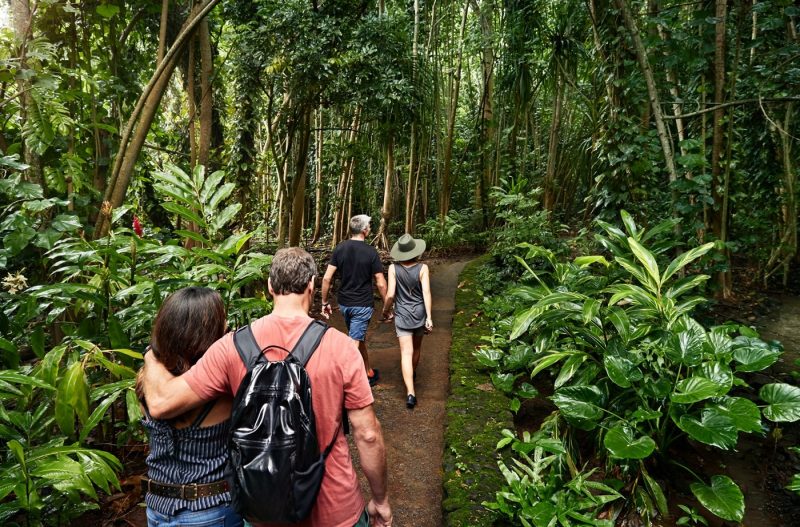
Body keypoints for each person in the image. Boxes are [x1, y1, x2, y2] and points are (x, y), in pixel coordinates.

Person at [141, 248, 392, 527]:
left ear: (270, 287)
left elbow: (163, 402)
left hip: (262, 508)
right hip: (334, 508)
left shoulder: (230, 347)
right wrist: (380, 500)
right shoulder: (343, 348)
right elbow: (368, 434)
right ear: (311, 284)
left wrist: (151, 355)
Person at [135, 287, 243, 527]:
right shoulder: (221, 386)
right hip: (211, 507)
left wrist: (151, 355)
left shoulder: (147, 379)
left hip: (158, 506)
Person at [321, 214, 387, 387]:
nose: (370, 229)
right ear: (364, 231)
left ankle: (368, 371)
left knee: (357, 337)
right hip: (362, 305)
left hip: (345, 304)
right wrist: (387, 305)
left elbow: (327, 278)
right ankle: (341, 383)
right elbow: (380, 282)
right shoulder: (371, 252)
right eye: (370, 227)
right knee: (353, 344)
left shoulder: (340, 248)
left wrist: (324, 302)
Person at [381, 234, 433, 409]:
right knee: (416, 348)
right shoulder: (423, 268)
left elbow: (390, 295)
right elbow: (426, 293)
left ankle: (410, 393)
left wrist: (385, 310)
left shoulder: (393, 268)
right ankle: (412, 374)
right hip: (419, 314)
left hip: (402, 315)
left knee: (405, 353)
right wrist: (429, 317)